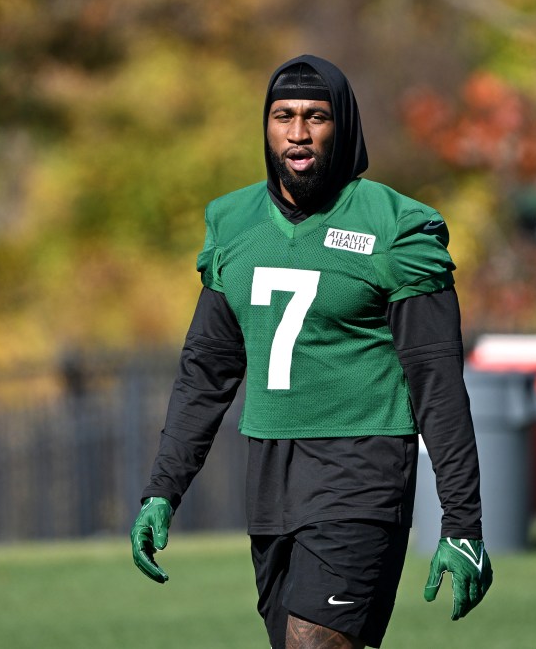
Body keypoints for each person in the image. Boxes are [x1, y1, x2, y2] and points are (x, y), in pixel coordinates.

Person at [130, 54, 493, 649]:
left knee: (313, 644)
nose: (298, 133)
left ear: (342, 125)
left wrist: (463, 522)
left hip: (362, 465)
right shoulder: (233, 222)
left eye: (316, 117)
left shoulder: (397, 229)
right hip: (271, 474)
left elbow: (438, 383)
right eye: (284, 116)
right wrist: (162, 490)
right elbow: (206, 374)